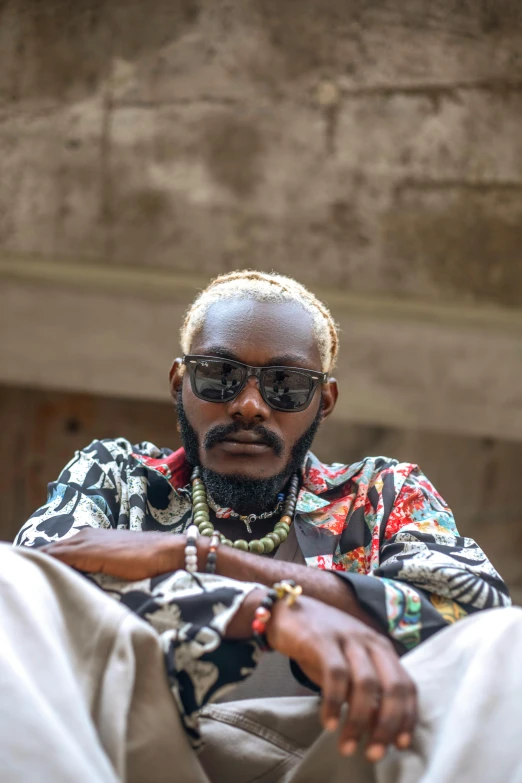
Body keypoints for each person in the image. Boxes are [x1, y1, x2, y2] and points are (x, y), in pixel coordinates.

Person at [10, 270, 517, 782]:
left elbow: (471, 616)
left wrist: (208, 560)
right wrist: (263, 612)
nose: (249, 405)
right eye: (217, 374)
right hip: (134, 753)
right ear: (178, 383)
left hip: (331, 753)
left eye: (286, 385)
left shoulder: (382, 493)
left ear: (325, 401)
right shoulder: (117, 475)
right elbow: (36, 593)